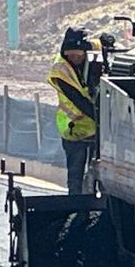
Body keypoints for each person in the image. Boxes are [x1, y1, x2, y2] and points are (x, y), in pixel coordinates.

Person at [47, 26, 99, 184]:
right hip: (74, 129)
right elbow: (79, 101)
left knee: (97, 174)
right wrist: (101, 118)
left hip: (94, 129)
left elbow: (97, 44)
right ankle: (77, 204)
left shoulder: (90, 54)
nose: (75, 58)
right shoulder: (61, 71)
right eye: (71, 55)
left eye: (78, 55)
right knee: (76, 174)